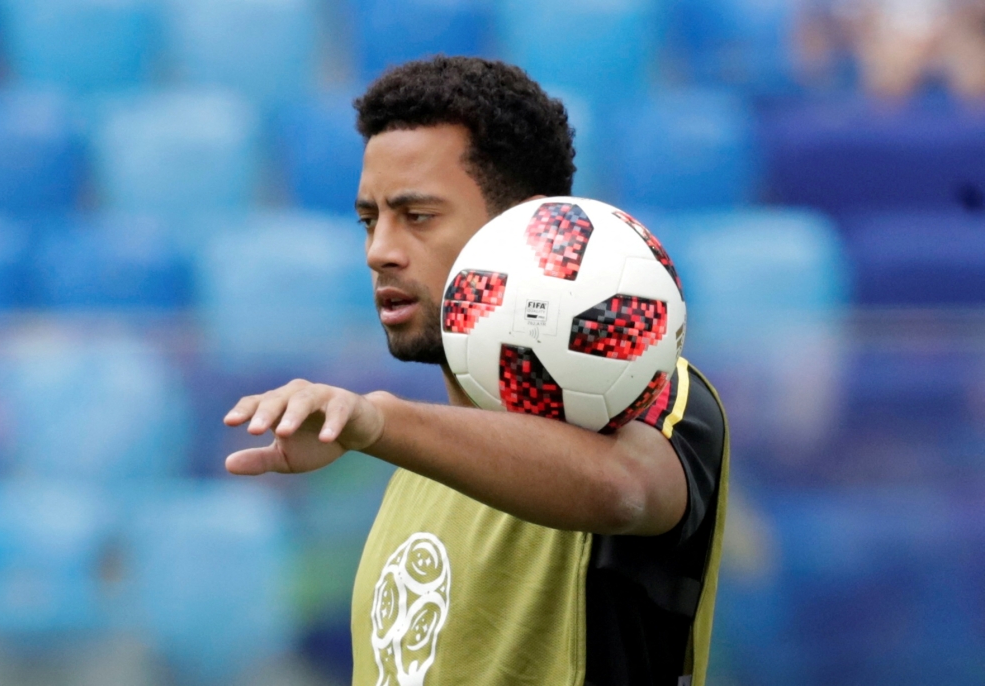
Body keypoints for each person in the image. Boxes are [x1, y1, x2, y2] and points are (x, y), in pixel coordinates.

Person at [224, 56, 729, 686]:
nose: (378, 251)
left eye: (417, 216)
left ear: (531, 228)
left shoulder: (642, 388)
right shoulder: (417, 465)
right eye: (369, 221)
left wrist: (379, 421)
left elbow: (626, 491)